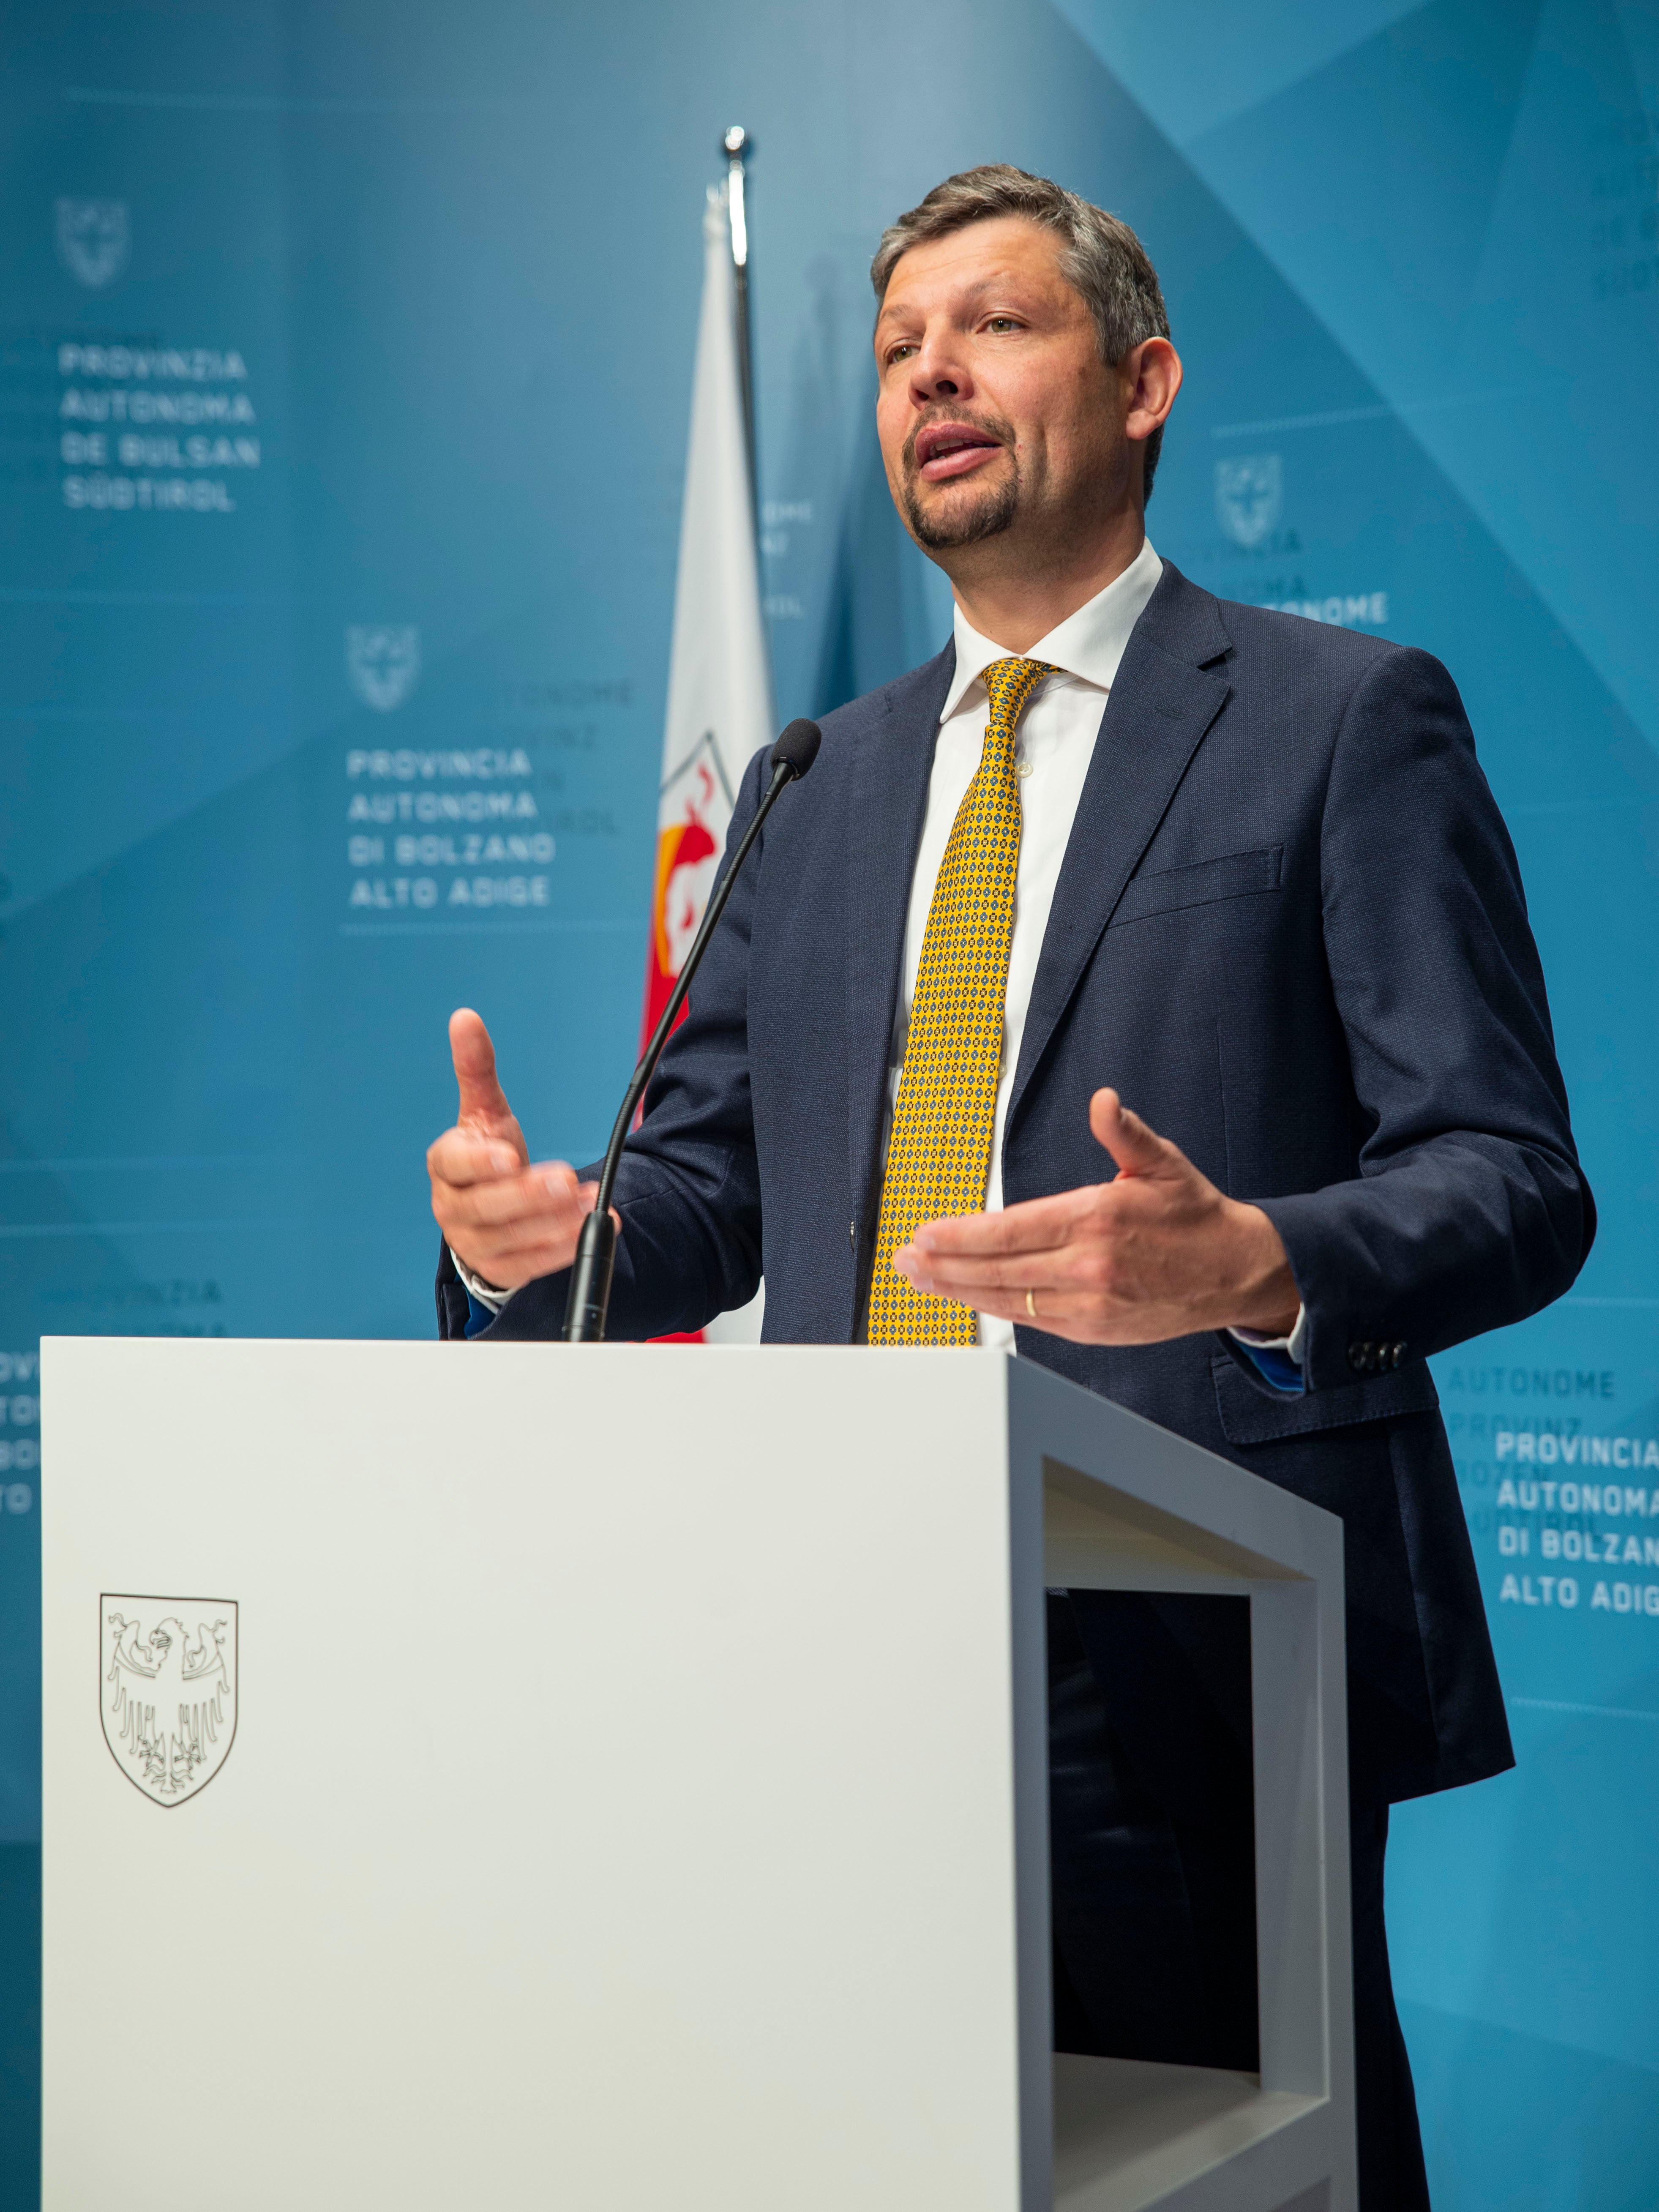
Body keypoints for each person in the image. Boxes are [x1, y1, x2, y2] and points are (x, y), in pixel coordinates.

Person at [426, 166, 1593, 2208]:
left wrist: (1256, 1259)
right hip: (832, 1631)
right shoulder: (817, 781)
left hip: (1188, 1646)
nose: (931, 375)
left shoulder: (1337, 720)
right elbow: (707, 1190)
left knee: (1234, 2178)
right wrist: (549, 1247)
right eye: (897, 348)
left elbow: (1510, 1176)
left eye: (993, 325)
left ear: (1143, 383)